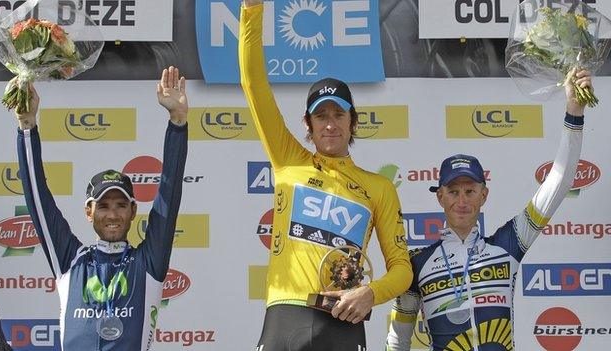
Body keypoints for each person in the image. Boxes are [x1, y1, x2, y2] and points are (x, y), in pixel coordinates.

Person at [239, 1, 412, 350]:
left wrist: (370, 293)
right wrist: (252, 9)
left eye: (339, 114)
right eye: (321, 116)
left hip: (343, 319)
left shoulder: (378, 188)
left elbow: (402, 268)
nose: (330, 124)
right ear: (308, 124)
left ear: (353, 123)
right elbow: (254, 84)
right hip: (285, 313)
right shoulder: (288, 159)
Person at [386, 69, 591, 351]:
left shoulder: (509, 243)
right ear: (440, 198)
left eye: (470, 191)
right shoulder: (416, 263)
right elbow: (399, 338)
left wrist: (574, 112)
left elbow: (560, 181)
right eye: (454, 192)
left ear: (484, 195)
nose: (462, 201)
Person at [13, 66, 188, 350]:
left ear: (133, 211)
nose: (113, 214)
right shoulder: (70, 260)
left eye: (121, 205)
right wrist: (27, 127)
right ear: (89, 211)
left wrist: (178, 123)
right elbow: (38, 200)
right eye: (103, 205)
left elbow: (170, 192)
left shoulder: (148, 262)